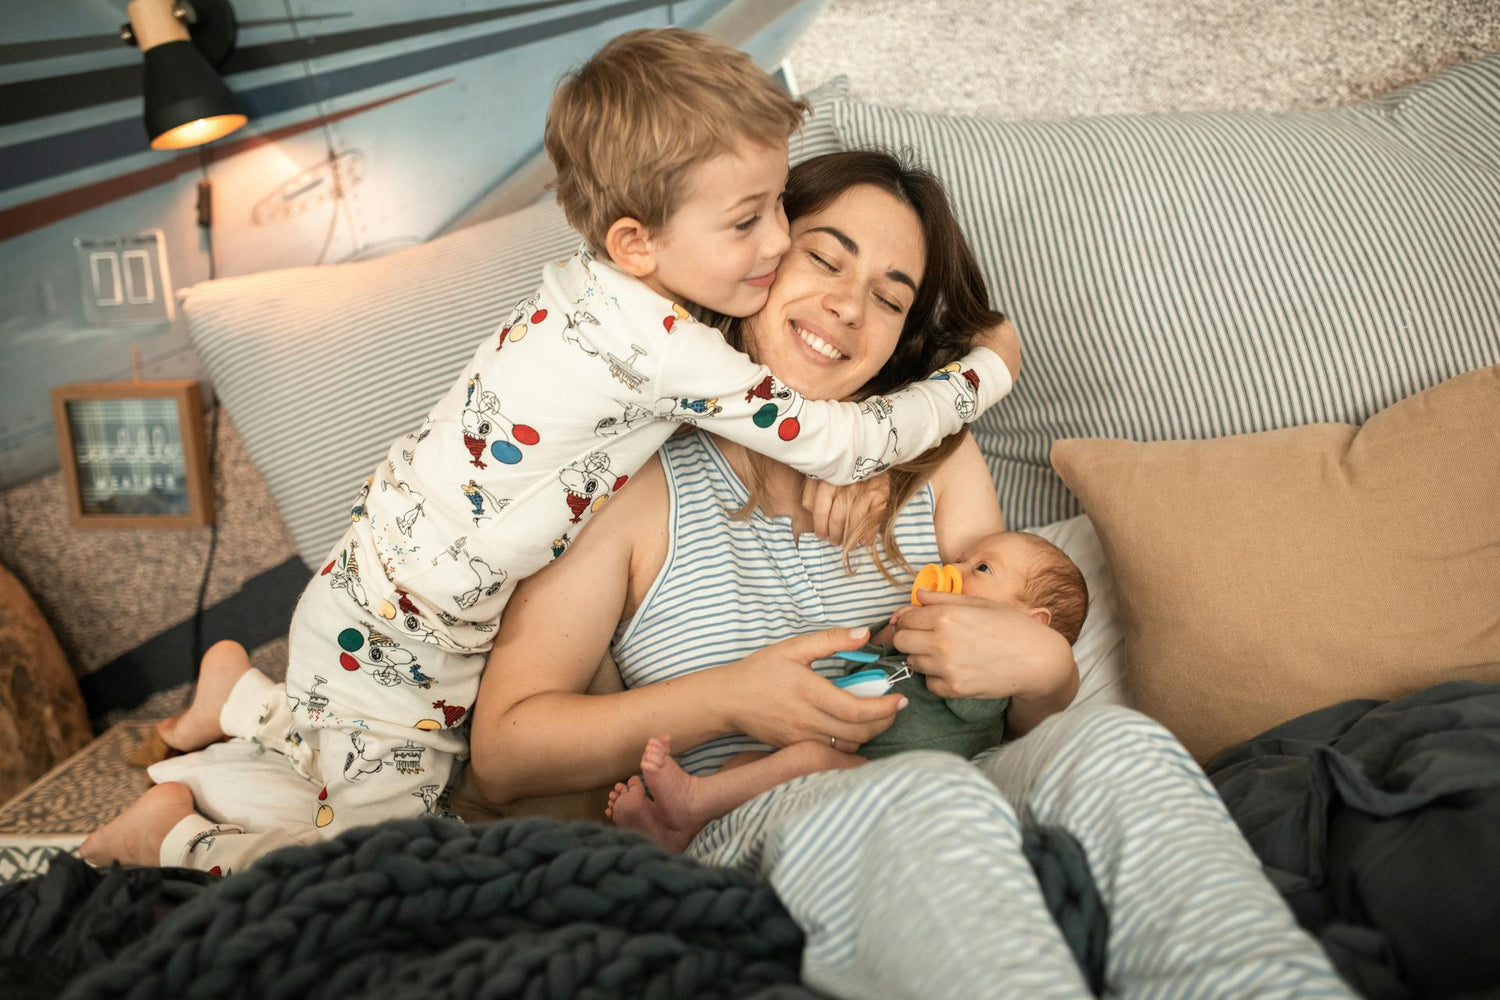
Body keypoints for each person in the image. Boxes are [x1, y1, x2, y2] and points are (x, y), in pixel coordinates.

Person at [78, 30, 1017, 873]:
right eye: (754, 223)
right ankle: (168, 836)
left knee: (365, 751)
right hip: (414, 615)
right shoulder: (661, 350)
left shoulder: (587, 290)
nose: (775, 242)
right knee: (376, 852)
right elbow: (840, 442)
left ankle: (239, 698)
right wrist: (984, 371)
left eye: (779, 207)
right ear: (636, 241)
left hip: (394, 577)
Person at [464, 150, 1353, 999]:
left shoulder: (936, 459)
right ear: (751, 258)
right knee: (915, 793)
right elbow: (505, 754)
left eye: (889, 300)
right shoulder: (629, 487)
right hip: (760, 825)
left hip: (974, 788)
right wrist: (733, 699)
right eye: (824, 259)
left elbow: (999, 697)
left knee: (1121, 744)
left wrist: (1047, 674)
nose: (849, 309)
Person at [606, 529, 1090, 852]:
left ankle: (692, 801)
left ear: (1031, 627)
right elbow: (877, 653)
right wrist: (889, 632)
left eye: (982, 569)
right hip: (846, 753)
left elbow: (971, 708)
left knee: (806, 762)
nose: (954, 569)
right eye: (961, 559)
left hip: (887, 780)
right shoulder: (924, 626)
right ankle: (682, 829)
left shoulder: (991, 680)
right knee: (744, 765)